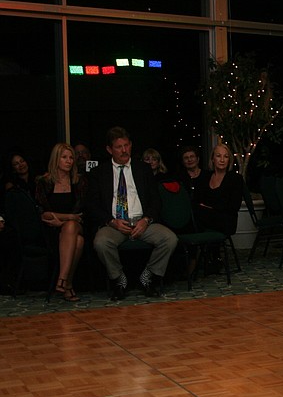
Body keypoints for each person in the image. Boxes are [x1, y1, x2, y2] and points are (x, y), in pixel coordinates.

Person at [84, 126, 178, 300]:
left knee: (170, 239)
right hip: (114, 224)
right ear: (109, 149)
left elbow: (155, 200)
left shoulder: (143, 169)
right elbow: (92, 205)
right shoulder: (99, 173)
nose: (124, 150)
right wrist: (112, 221)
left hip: (141, 221)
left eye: (127, 145)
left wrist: (146, 220)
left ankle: (148, 276)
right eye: (119, 147)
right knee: (101, 242)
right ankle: (119, 279)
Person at [34, 143, 87, 302]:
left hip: (77, 226)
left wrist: (64, 219)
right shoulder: (44, 182)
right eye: (64, 157)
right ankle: (68, 285)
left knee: (71, 227)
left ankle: (61, 278)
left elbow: (79, 214)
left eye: (71, 158)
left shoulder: (79, 182)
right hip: (52, 230)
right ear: (56, 159)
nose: (69, 161)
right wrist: (68, 217)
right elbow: (45, 214)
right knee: (78, 242)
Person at [195, 144, 244, 236]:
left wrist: (210, 207)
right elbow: (198, 200)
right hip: (205, 218)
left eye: (225, 157)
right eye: (218, 156)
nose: (222, 160)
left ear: (229, 160)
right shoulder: (205, 177)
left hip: (225, 221)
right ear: (213, 159)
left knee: (198, 215)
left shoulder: (235, 179)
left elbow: (233, 207)